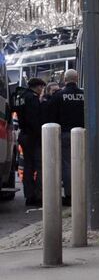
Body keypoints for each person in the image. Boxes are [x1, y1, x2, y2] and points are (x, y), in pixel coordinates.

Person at [48, 69, 83, 205]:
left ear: (65, 80)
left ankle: (70, 195)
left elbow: (51, 116)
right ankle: (82, 192)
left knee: (67, 165)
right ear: (77, 78)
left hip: (64, 134)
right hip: (82, 134)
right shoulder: (84, 95)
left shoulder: (58, 95)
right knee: (82, 163)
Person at [14, 78, 46, 206]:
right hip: (33, 136)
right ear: (38, 87)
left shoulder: (21, 96)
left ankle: (29, 195)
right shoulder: (33, 98)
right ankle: (38, 195)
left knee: (28, 166)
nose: (42, 90)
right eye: (42, 87)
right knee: (39, 165)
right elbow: (35, 119)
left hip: (24, 135)